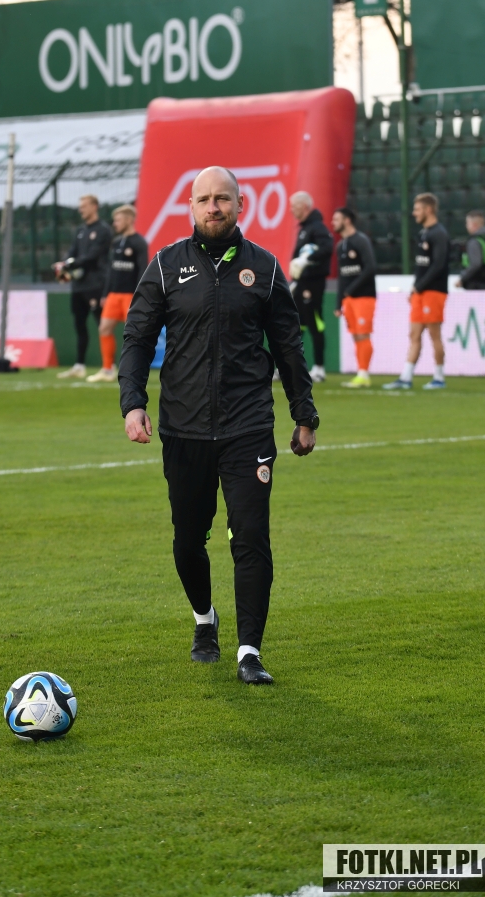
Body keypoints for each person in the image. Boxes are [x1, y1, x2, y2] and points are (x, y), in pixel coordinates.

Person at [118, 166, 318, 686]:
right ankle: (205, 620)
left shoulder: (264, 268)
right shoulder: (165, 266)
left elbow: (289, 347)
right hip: (183, 430)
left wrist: (304, 414)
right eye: (204, 199)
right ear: (190, 206)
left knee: (250, 537)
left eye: (222, 198)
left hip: (247, 427)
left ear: (239, 205)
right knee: (188, 541)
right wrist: (133, 403)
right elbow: (137, 339)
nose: (213, 207)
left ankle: (249, 652)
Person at [384, 192, 450, 391]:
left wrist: (418, 287)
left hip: (434, 291)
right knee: (414, 334)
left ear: (428, 210)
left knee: (434, 334)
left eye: (417, 209)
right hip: (420, 292)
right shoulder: (424, 233)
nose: (414, 213)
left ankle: (439, 377)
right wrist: (415, 289)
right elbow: (422, 267)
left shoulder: (439, 234)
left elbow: (438, 265)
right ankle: (406, 377)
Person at [86, 205, 148, 384]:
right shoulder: (117, 242)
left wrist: (139, 295)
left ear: (129, 220)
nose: (115, 224)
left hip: (130, 295)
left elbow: (143, 270)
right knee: (104, 328)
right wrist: (106, 293)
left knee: (135, 334)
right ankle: (107, 369)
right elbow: (111, 271)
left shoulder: (139, 242)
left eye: (118, 220)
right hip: (114, 294)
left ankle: (135, 371)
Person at [54, 194, 112, 380]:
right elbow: (72, 252)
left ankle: (108, 366)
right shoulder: (80, 230)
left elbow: (92, 256)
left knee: (102, 325)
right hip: (78, 285)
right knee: (79, 325)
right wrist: (63, 265)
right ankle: (79, 366)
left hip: (96, 284)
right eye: (80, 206)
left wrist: (70, 264)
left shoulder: (103, 230)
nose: (81, 210)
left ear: (94, 206)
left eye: (84, 206)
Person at [288, 191, 334, 383]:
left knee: (315, 324)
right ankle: (289, 368)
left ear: (305, 206)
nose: (292, 210)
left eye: (294, 206)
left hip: (313, 284)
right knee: (296, 327)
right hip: (301, 284)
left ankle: (319, 368)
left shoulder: (317, 227)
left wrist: (307, 260)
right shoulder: (305, 228)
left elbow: (327, 248)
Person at [331, 208, 377, 389]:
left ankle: (364, 374)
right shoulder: (340, 245)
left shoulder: (361, 240)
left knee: (363, 333)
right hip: (349, 299)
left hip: (364, 296)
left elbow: (370, 268)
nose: (333, 222)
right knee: (356, 335)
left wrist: (351, 289)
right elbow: (342, 276)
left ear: (347, 220)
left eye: (337, 219)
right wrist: (338, 302)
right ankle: (361, 373)